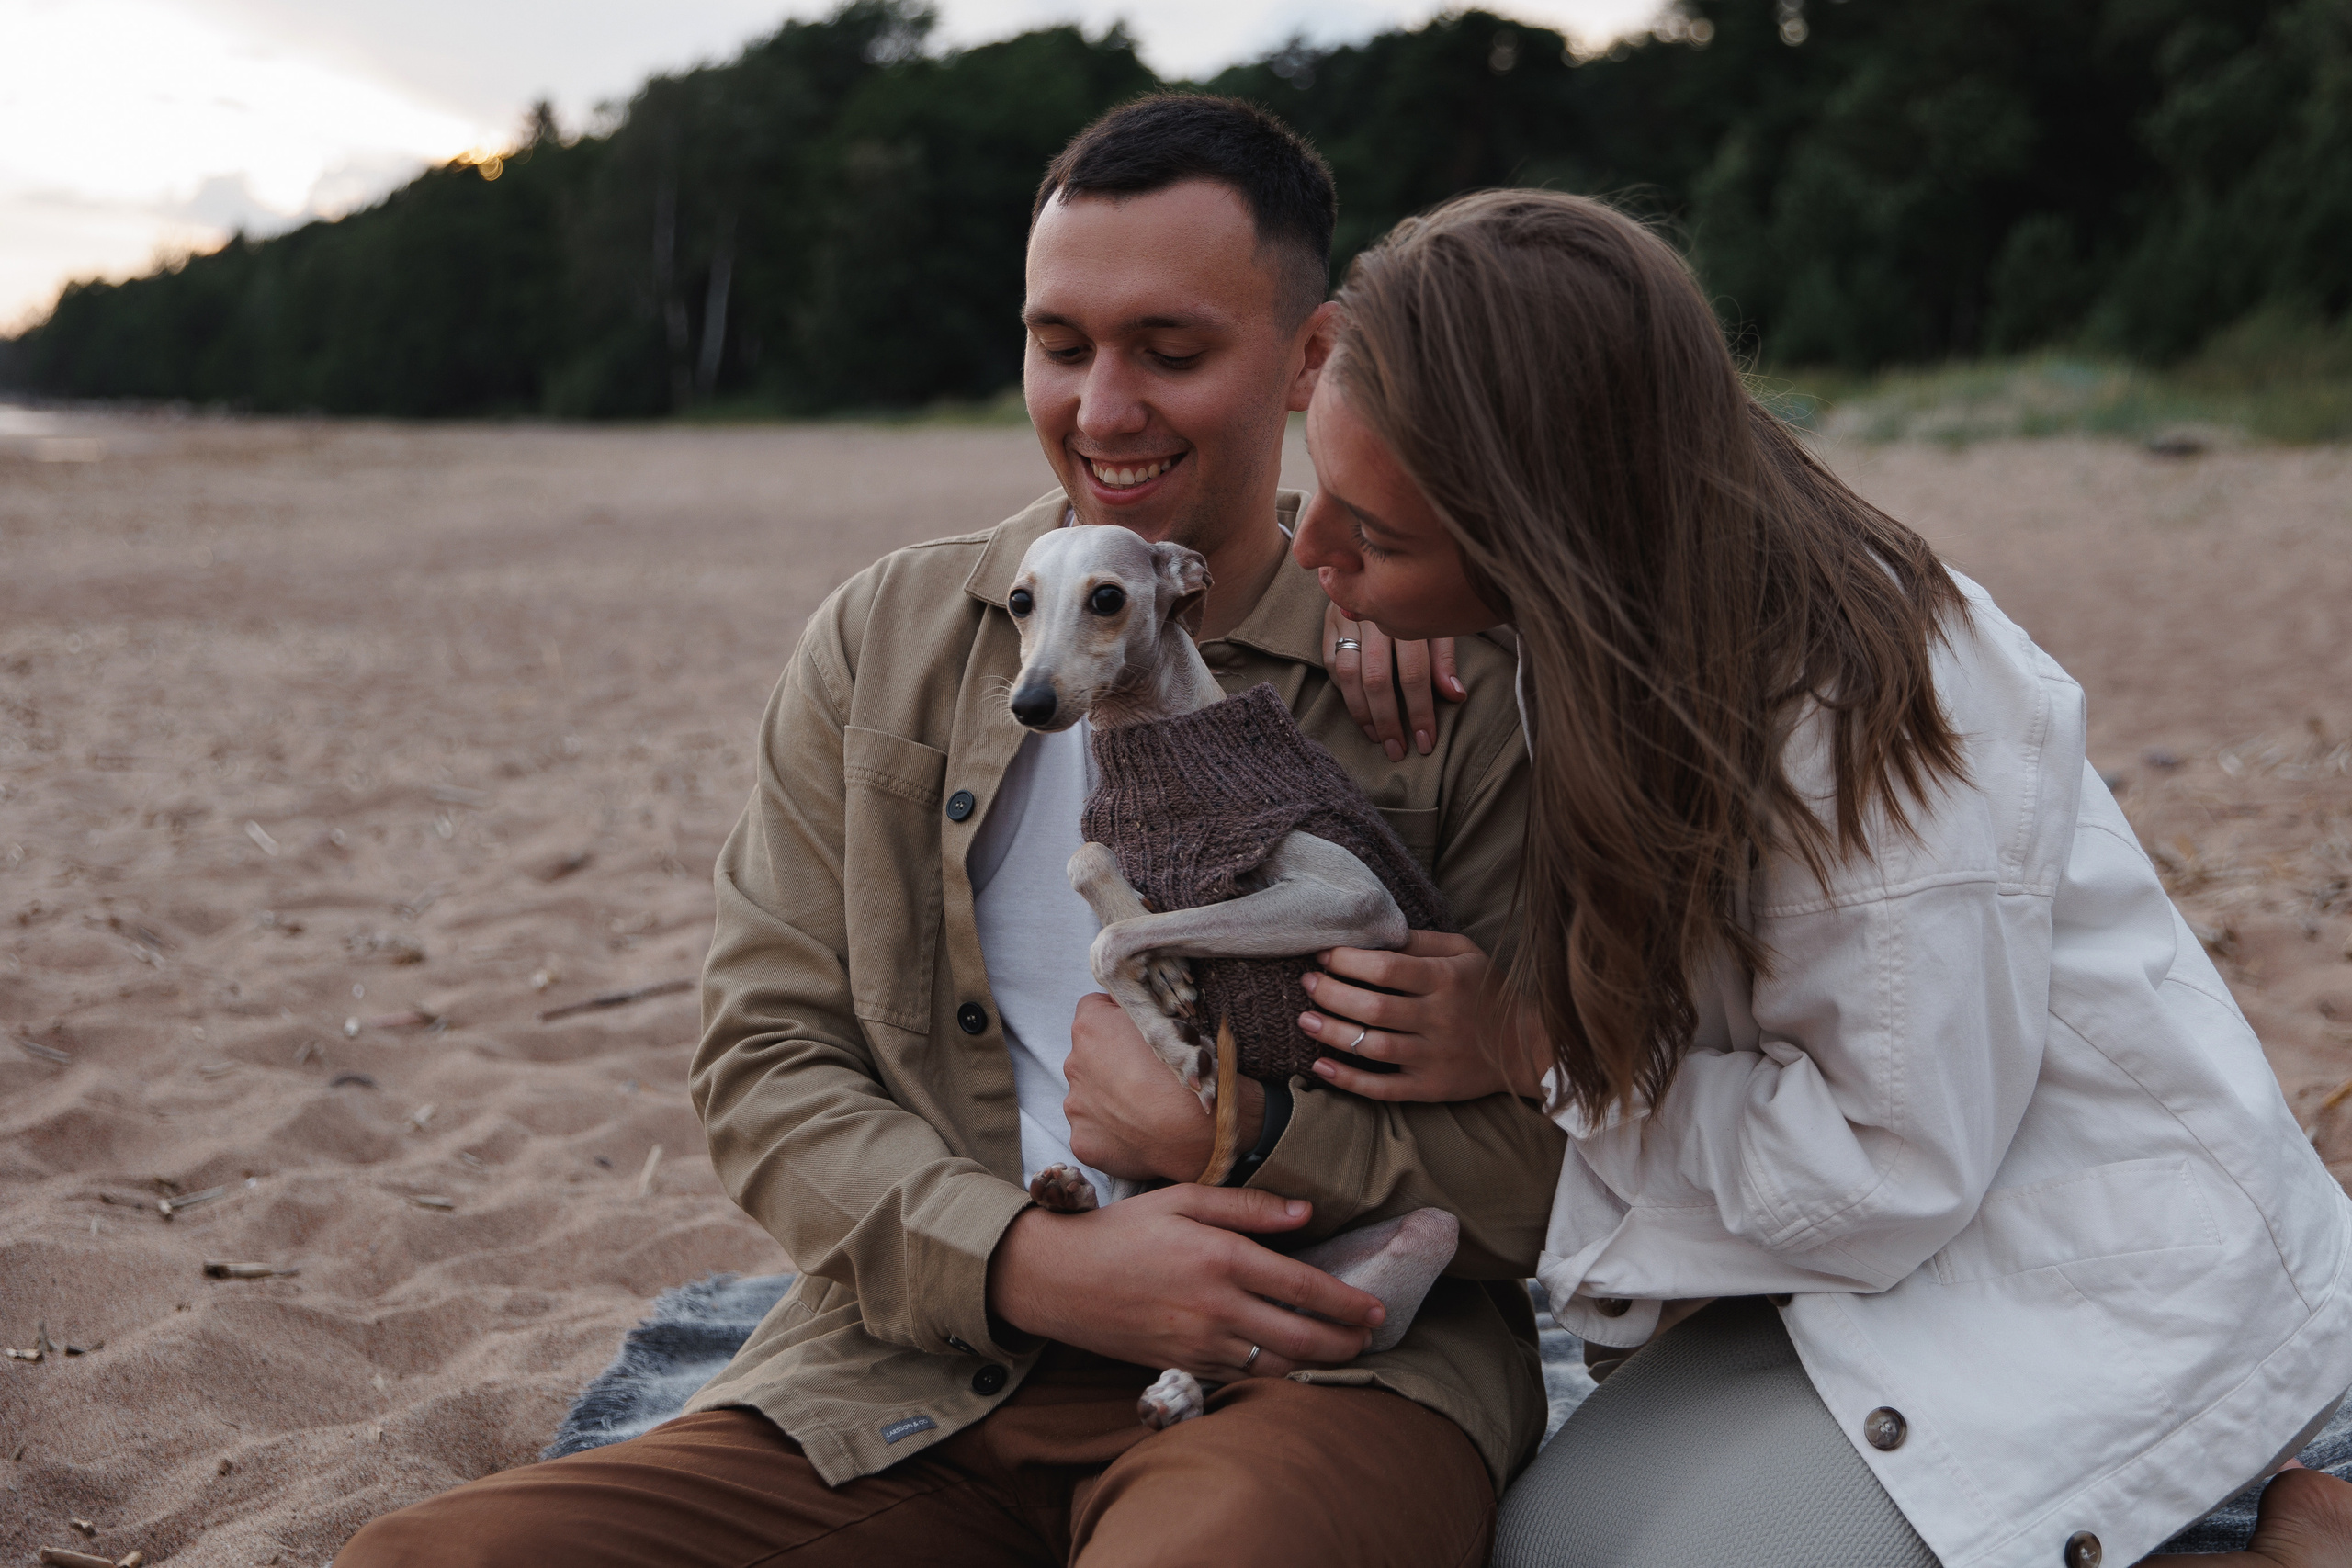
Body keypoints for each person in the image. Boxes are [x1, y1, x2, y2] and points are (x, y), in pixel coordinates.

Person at [336, 96, 1562, 1568]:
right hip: (920, 1372)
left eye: (1171, 352)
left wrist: (1255, 1142)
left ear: (1312, 356)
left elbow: (1562, 1168)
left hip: (1319, 1365)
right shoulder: (888, 641)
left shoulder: (1451, 668)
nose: (1103, 409)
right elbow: (764, 1062)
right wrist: (1033, 1265)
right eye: (1061, 346)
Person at [1271, 186, 2352, 1568]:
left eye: (1373, 534)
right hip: (1876, 1273)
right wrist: (1396, 607)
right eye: (1322, 498)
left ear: (1542, 531)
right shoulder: (1631, 599)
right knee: (1555, 1532)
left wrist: (1533, 1042)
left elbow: (1882, 1176)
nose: (1314, 559)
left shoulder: (1859, 714)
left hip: (2096, 1282)